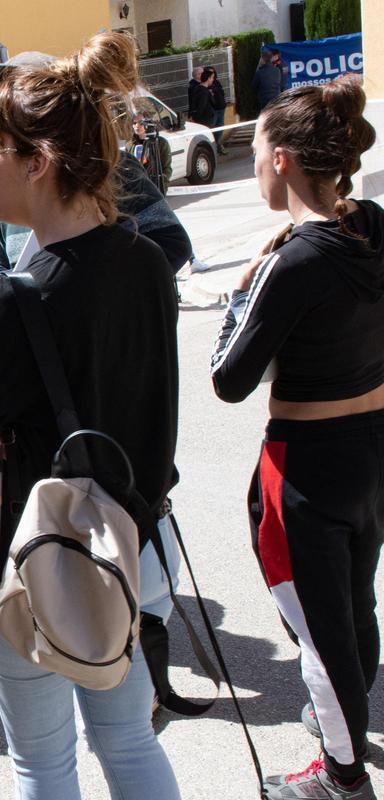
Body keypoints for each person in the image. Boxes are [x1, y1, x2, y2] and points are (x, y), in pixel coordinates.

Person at [0, 31, 181, 799]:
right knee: (132, 744)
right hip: (132, 541)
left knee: (43, 763)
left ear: (36, 161)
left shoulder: (15, 293)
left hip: (28, 555)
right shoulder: (144, 257)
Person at [210, 75, 382, 800]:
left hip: (304, 467)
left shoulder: (291, 261)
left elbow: (228, 377)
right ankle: (342, 725)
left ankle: (340, 777)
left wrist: (241, 288)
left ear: (281, 159)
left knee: (320, 629)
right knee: (354, 601)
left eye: (254, 153)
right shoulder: (372, 222)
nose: (253, 168)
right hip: (372, 448)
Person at [0, 53, 192, 288]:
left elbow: (172, 243)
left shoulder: (112, 168)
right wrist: (20, 294)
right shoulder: (8, 189)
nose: (11, 104)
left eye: (21, 90)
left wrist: (88, 292)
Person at [128, 117, 174, 196]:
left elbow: (167, 168)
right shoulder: (130, 145)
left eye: (141, 123)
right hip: (138, 190)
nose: (137, 126)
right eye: (134, 123)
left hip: (156, 188)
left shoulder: (161, 143)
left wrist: (162, 185)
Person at [252, 49, 285, 113]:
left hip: (265, 102)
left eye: (261, 58)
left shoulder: (260, 73)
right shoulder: (277, 70)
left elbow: (253, 87)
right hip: (276, 100)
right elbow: (280, 84)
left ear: (263, 60)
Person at [207, 67, 230, 155]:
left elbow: (221, 93)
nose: (212, 76)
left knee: (220, 128)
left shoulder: (217, 83)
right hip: (214, 110)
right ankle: (214, 148)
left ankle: (218, 145)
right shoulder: (207, 85)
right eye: (210, 74)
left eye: (213, 73)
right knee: (213, 129)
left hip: (221, 108)